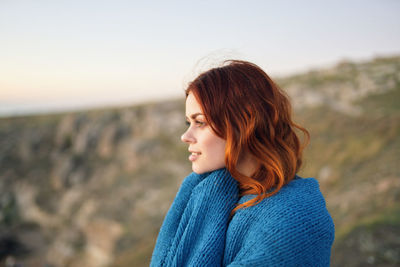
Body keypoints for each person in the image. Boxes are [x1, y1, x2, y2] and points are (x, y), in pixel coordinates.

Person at [150, 60, 335, 266]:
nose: (186, 136)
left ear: (244, 124)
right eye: (189, 123)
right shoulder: (203, 193)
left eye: (200, 122)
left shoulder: (294, 219)